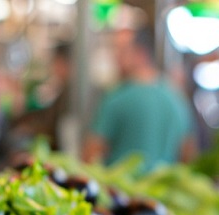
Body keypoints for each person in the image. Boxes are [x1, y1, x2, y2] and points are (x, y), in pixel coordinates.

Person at [83, 28, 195, 171]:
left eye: (122, 51)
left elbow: (91, 153)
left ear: (141, 54)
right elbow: (188, 154)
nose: (115, 57)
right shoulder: (177, 98)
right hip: (162, 190)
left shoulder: (117, 98)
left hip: (118, 190)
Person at [5, 43, 74, 153]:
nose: (53, 68)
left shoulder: (72, 93)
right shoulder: (65, 89)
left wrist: (32, 129)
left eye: (55, 62)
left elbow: (50, 124)